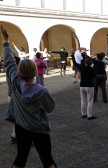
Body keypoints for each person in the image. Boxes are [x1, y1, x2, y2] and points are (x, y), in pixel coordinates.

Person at [1, 25, 57, 168]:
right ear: (34, 72)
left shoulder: (15, 82)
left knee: (21, 158)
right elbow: (50, 107)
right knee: (47, 159)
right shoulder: (41, 90)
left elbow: (9, 62)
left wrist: (6, 41)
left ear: (19, 71)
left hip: (21, 128)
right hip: (39, 129)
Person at [7, 54, 20, 145]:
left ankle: (14, 135)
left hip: (10, 96)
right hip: (14, 97)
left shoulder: (9, 72)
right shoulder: (15, 74)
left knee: (17, 118)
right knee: (19, 118)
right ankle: (15, 136)